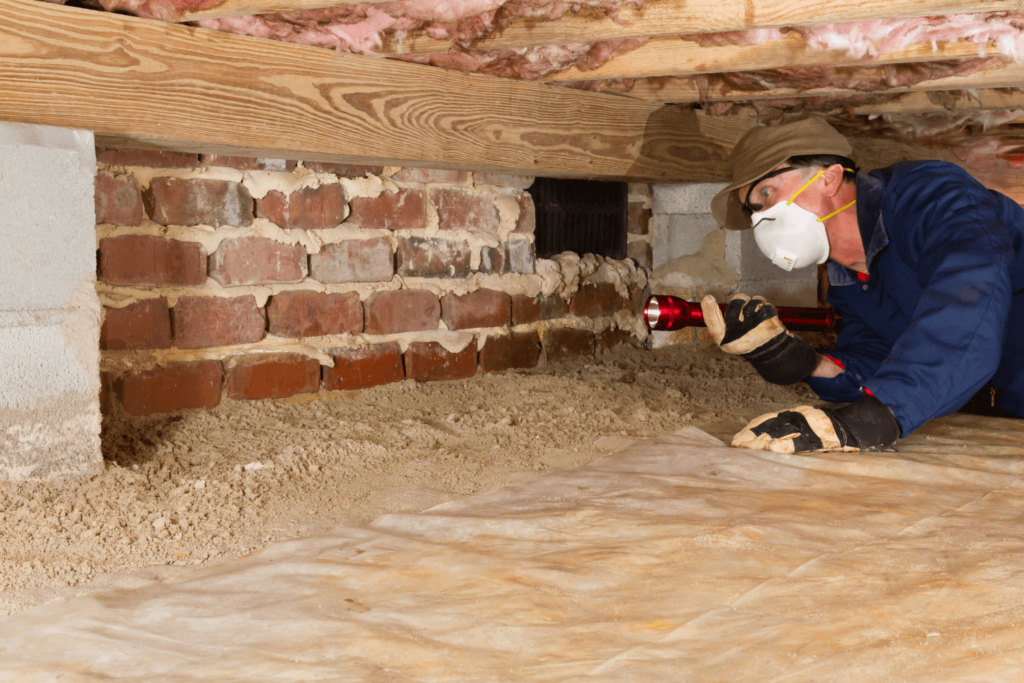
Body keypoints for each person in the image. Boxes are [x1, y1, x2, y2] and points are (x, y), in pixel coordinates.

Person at [701, 116, 1024, 454]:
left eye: (765, 195)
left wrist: (872, 419)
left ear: (829, 177)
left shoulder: (932, 199)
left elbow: (968, 302)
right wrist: (803, 362)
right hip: (1004, 419)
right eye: (751, 211)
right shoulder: (848, 284)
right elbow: (880, 361)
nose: (759, 220)